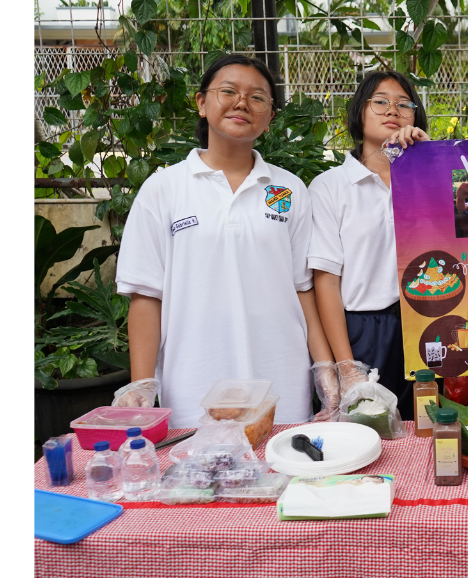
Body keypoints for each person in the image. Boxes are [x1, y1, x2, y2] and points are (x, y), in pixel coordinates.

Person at [114, 52, 335, 429]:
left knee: (281, 463)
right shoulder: (163, 189)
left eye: (257, 97)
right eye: (229, 91)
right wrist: (141, 384)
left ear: (269, 116)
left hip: (280, 382)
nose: (242, 103)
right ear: (202, 103)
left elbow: (303, 290)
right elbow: (146, 295)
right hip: (194, 386)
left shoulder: (288, 189)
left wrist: (325, 368)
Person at [309, 68, 430, 421]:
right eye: (380, 102)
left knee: (424, 431)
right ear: (359, 113)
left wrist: (430, 164)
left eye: (404, 104)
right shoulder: (330, 186)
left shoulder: (427, 183)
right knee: (363, 432)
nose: (393, 110)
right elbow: (326, 281)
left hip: (425, 324)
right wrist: (345, 365)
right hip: (361, 332)